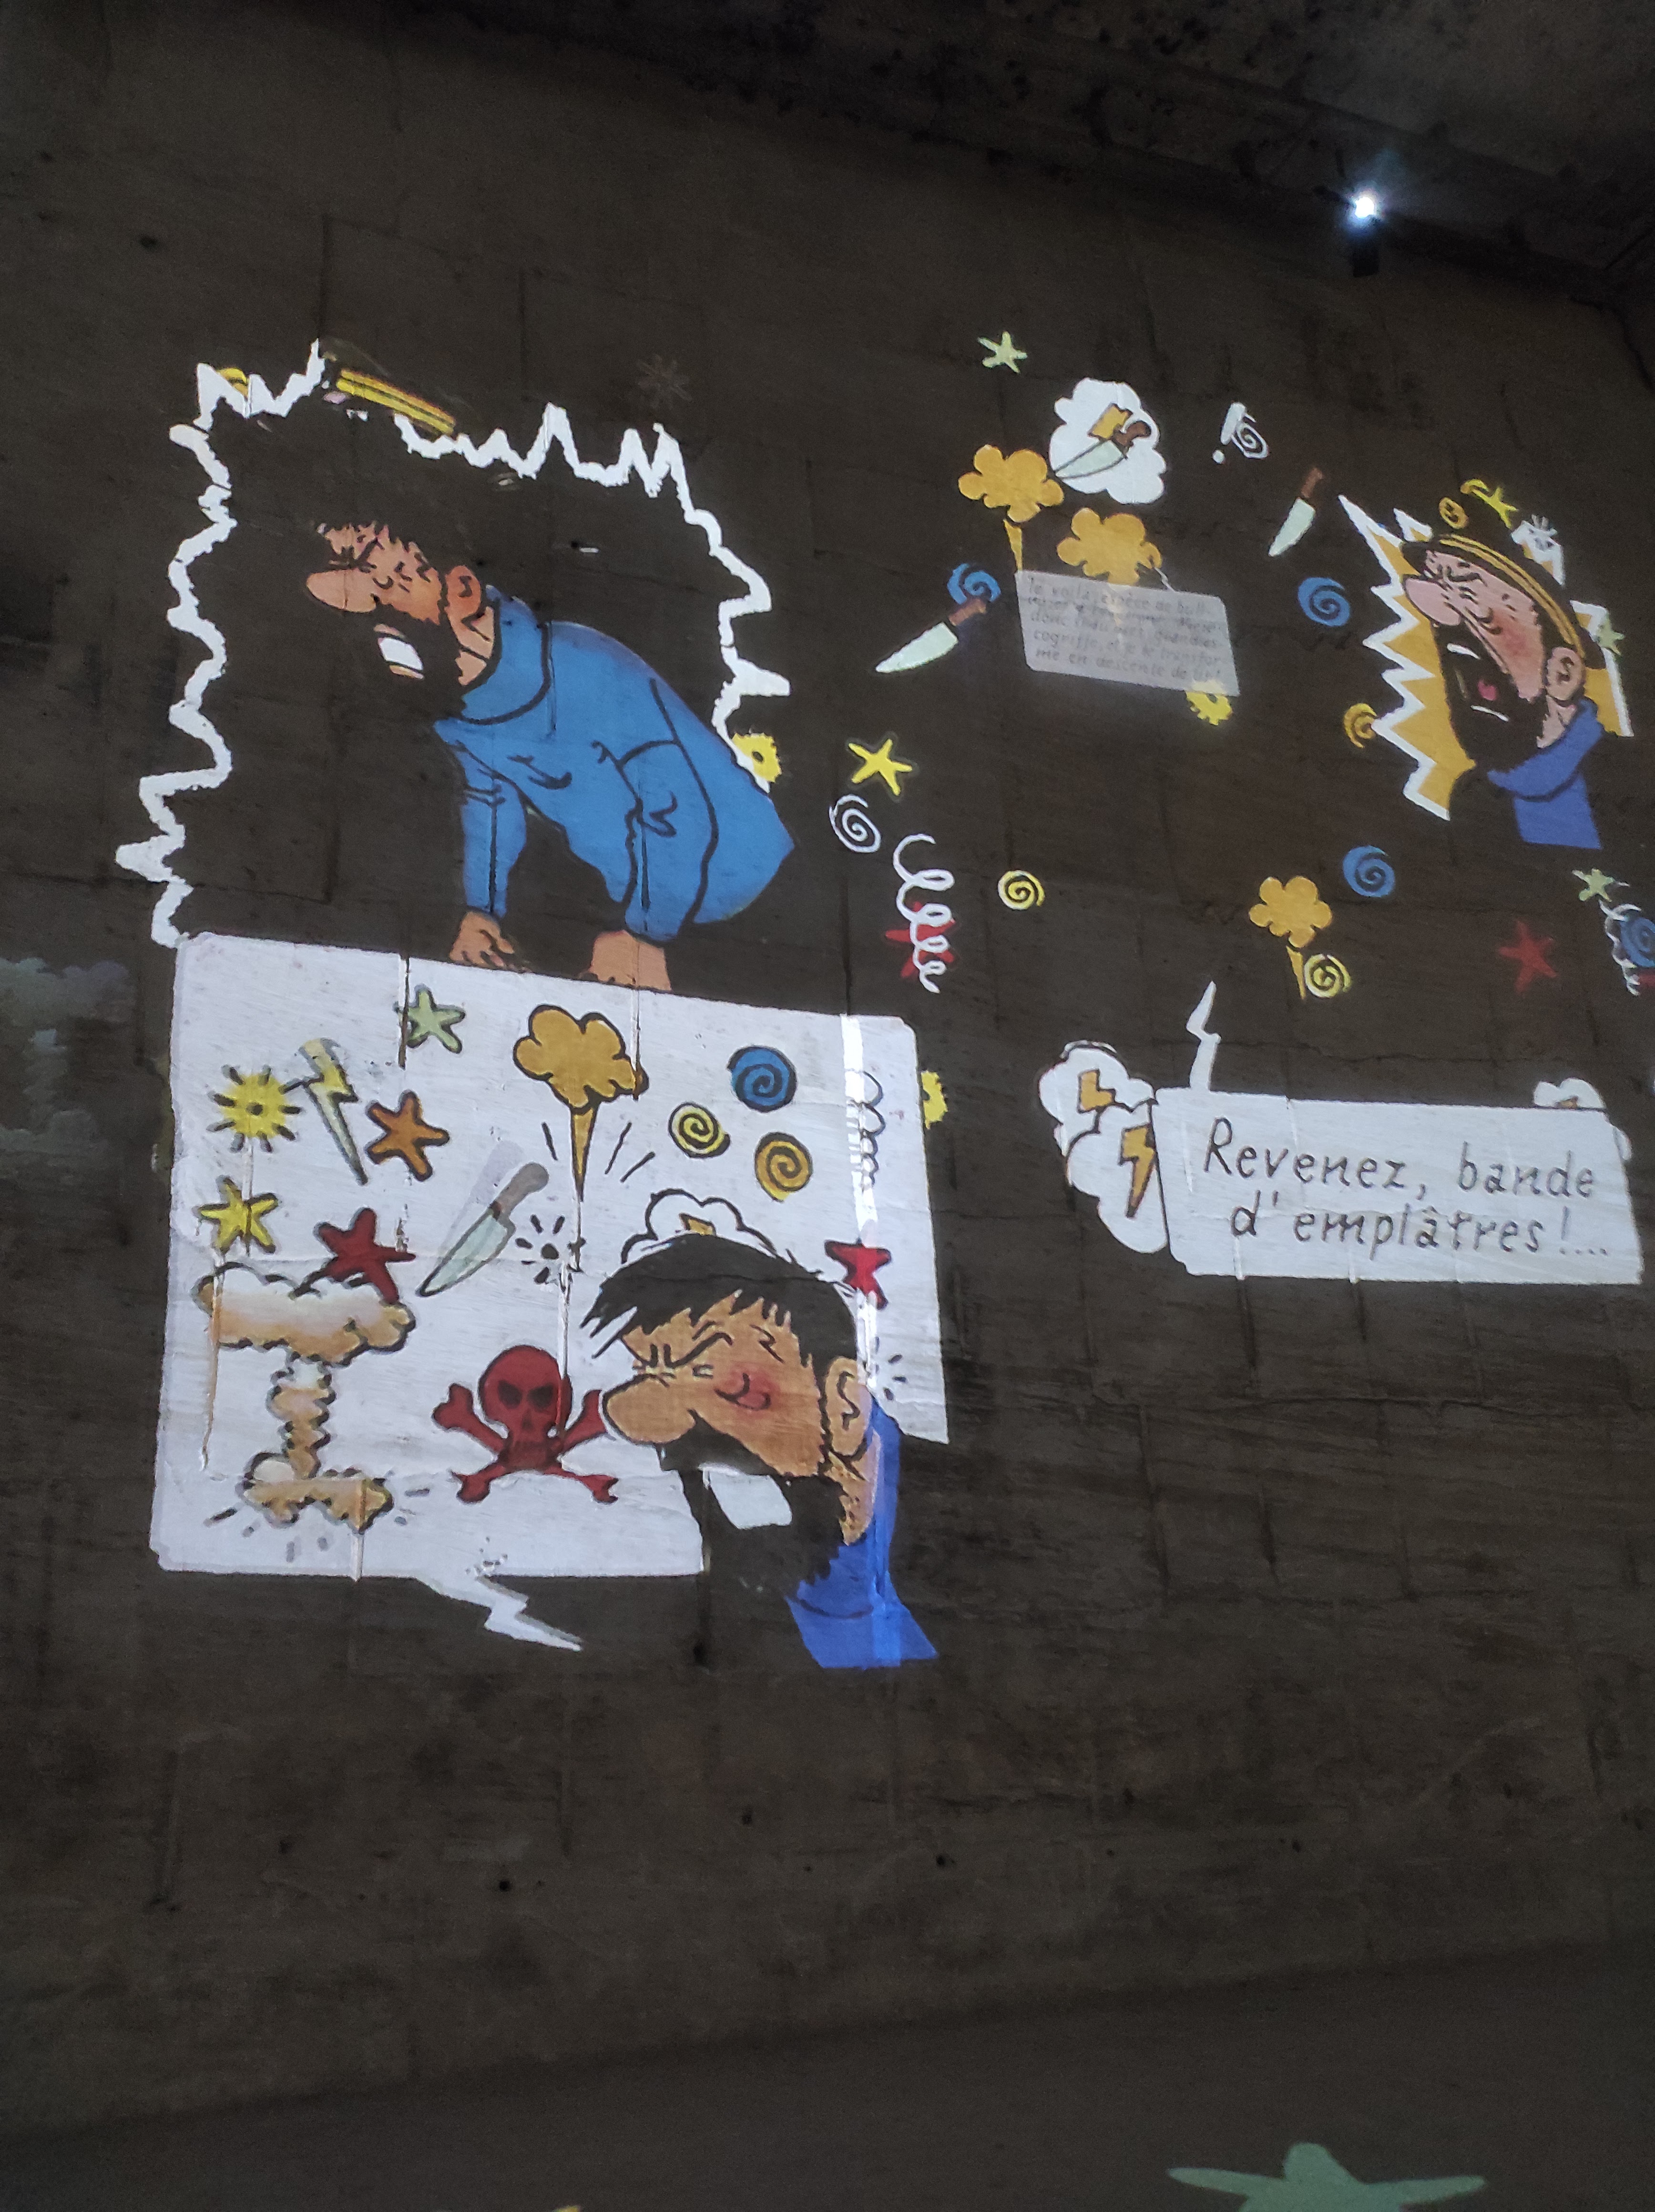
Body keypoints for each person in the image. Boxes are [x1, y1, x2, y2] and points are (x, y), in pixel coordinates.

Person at [302, 519, 793, 987]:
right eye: (369, 595)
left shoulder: (581, 665)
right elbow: (491, 805)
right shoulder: (458, 713)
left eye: (398, 578)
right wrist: (482, 912)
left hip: (750, 895)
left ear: (462, 585)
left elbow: (676, 805)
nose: (380, 621)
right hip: (643, 905)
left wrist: (645, 935)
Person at [585, 1232, 934, 1667]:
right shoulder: (712, 1566)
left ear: (843, 1402)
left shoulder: (958, 1528)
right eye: (650, 1380)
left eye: (732, 1388)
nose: (676, 1435)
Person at [1402, 529, 1606, 850]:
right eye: (1441, 621)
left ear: (1563, 673)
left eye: (1479, 611)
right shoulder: (1474, 804)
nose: (1447, 620)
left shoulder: (1625, 777)